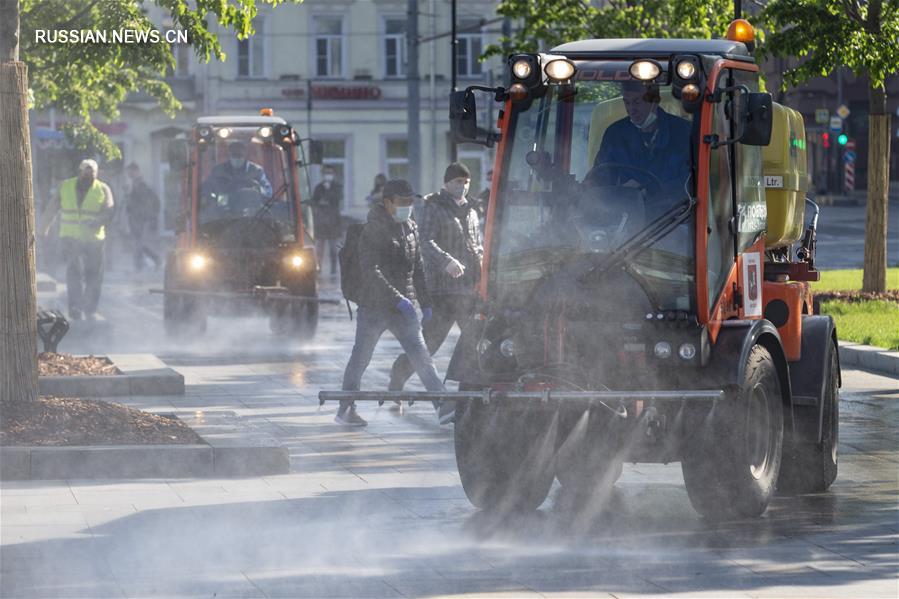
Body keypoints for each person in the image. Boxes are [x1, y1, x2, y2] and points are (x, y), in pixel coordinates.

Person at [338, 179, 446, 427]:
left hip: (404, 309)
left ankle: (443, 407)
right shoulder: (373, 230)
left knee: (422, 357)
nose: (408, 207)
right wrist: (398, 299)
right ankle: (345, 409)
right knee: (361, 358)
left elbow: (418, 268)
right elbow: (371, 271)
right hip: (375, 307)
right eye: (403, 202)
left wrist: (425, 302)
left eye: (411, 202)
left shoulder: (410, 227)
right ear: (388, 203)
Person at [388, 163, 483, 425]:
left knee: (476, 340)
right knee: (430, 343)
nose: (462, 186)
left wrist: (485, 268)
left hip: (468, 290)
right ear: (446, 183)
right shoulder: (434, 206)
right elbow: (425, 241)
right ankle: (398, 376)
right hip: (441, 290)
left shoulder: (472, 209)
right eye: (456, 182)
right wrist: (446, 261)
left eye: (466, 181)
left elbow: (477, 245)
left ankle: (474, 396)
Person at [592, 81, 692, 203]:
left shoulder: (683, 133)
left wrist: (650, 191)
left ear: (655, 101)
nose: (631, 110)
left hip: (675, 216)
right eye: (627, 103)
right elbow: (600, 176)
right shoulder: (615, 134)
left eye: (637, 102)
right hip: (627, 215)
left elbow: (691, 182)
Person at [40, 159, 114, 320]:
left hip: (95, 240)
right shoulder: (65, 187)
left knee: (94, 275)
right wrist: (43, 229)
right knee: (74, 273)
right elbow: (52, 207)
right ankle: (75, 309)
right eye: (86, 174)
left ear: (96, 174)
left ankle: (90, 310)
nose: (89, 177)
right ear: (79, 172)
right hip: (71, 238)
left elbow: (109, 211)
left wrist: (98, 221)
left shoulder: (103, 189)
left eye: (92, 174)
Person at [201, 141, 273, 198]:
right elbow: (206, 189)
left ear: (245, 154)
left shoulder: (256, 171)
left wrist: (258, 188)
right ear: (229, 154)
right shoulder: (219, 171)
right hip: (222, 211)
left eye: (240, 155)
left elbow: (268, 192)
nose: (237, 158)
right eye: (234, 154)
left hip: (254, 210)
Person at [125, 163, 161, 272]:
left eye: (130, 171)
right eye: (128, 172)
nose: (128, 174)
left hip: (140, 219)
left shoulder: (141, 185)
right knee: (137, 243)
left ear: (136, 171)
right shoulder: (134, 184)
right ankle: (143, 263)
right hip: (135, 218)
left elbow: (149, 200)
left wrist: (149, 214)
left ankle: (144, 263)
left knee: (138, 244)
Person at [311, 164, 343, 276]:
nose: (328, 175)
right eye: (326, 173)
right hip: (321, 221)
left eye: (330, 173)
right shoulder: (319, 187)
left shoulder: (337, 186)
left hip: (333, 221)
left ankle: (333, 269)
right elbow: (314, 201)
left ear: (333, 174)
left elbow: (336, 199)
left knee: (333, 248)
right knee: (320, 247)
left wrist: (327, 192)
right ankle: (318, 267)